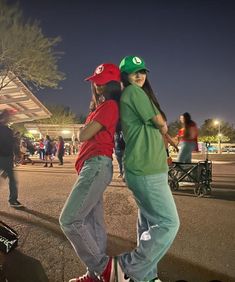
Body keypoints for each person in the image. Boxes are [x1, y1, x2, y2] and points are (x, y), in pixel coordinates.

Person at [115, 55, 180, 281]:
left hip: (151, 167)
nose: (140, 75)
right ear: (125, 75)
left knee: (150, 224)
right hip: (145, 170)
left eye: (142, 71)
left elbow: (160, 128)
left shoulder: (138, 94)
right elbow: (159, 122)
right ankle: (128, 266)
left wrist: (168, 139)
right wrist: (165, 129)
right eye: (134, 72)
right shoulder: (133, 92)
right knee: (169, 223)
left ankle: (145, 277)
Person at [59, 63, 121, 282]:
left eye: (102, 82)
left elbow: (84, 135)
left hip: (96, 166)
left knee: (69, 220)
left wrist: (81, 131)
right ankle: (96, 275)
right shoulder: (100, 107)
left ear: (112, 85)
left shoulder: (110, 106)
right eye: (96, 81)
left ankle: (104, 268)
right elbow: (85, 133)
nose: (97, 86)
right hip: (92, 166)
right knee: (93, 223)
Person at [0, 109, 22, 207]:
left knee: (10, 178)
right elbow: (11, 143)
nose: (10, 119)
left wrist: (16, 154)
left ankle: (13, 200)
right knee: (12, 179)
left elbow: (12, 143)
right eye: (8, 117)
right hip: (4, 157)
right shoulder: (7, 130)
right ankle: (13, 200)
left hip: (7, 157)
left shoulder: (8, 130)